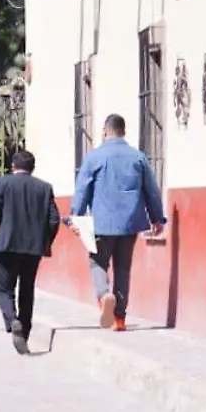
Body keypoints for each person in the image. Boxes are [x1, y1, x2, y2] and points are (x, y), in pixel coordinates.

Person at [70, 113, 167, 332]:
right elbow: (151, 191)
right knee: (123, 268)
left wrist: (77, 217)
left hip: (102, 223)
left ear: (105, 131)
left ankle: (104, 295)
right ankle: (119, 319)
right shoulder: (138, 157)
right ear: (124, 131)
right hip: (130, 222)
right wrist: (157, 218)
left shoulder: (94, 157)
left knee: (97, 262)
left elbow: (82, 189)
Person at [0, 149, 61, 355]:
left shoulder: (2, 184)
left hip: (6, 246)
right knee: (27, 290)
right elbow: (54, 220)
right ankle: (24, 333)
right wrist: (44, 242)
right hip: (32, 249)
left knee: (4, 289)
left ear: (13, 166)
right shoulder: (44, 188)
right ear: (32, 168)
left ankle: (12, 320)